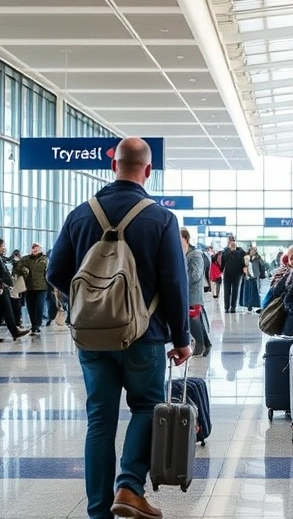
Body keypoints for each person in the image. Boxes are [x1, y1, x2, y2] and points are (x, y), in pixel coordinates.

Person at [46, 136, 191, 519]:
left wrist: (92, 305)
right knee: (146, 407)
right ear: (147, 170)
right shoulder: (161, 218)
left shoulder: (80, 214)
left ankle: (98, 512)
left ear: (114, 166)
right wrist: (182, 338)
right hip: (144, 337)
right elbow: (174, 282)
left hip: (92, 339)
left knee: (100, 420)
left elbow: (55, 271)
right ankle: (128, 486)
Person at [0, 239, 29, 343]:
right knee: (7, 309)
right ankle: (14, 332)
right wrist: (2, 282)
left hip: (0, 288)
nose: (5, 248)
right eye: (3, 246)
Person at [181, 228, 211, 355]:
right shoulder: (182, 254)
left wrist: (180, 281)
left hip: (193, 294)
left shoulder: (195, 255)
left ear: (186, 239)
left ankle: (200, 345)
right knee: (196, 320)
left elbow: (195, 275)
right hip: (185, 293)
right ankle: (206, 344)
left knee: (194, 320)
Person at [14, 243, 49, 335]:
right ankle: (34, 325)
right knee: (30, 307)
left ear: (41, 249)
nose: (34, 250)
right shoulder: (26, 259)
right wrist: (23, 270)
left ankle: (37, 324)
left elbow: (49, 272)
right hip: (29, 287)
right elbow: (16, 268)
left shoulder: (45, 260)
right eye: (33, 248)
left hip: (42, 287)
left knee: (39, 306)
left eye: (36, 248)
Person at [261, 245, 293, 309]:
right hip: (284, 308)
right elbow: (275, 291)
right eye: (292, 258)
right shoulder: (284, 272)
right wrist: (290, 273)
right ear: (288, 261)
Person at [220, 236, 247, 313]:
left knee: (235, 290)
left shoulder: (240, 251)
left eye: (233, 241)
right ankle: (226, 307)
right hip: (227, 274)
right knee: (226, 291)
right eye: (230, 241)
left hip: (237, 274)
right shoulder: (225, 251)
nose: (232, 242)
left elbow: (245, 259)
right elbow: (222, 263)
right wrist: (229, 250)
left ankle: (233, 307)